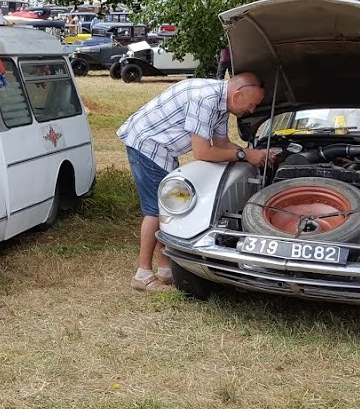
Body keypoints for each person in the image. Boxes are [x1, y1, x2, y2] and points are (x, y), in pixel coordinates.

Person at [118, 72, 277, 291]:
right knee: (157, 210)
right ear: (238, 95)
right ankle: (143, 274)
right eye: (251, 105)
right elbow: (202, 152)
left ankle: (165, 269)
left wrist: (254, 153)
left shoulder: (222, 104)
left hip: (164, 150)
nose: (251, 111)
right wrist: (245, 156)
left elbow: (222, 143)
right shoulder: (206, 99)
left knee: (165, 208)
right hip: (148, 144)